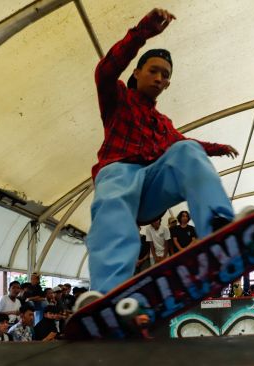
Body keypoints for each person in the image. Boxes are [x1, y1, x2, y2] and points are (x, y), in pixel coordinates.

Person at [82, 8, 239, 299]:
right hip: (119, 177)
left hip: (150, 188)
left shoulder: (163, 124)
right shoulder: (118, 97)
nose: (158, 78)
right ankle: (109, 293)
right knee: (114, 199)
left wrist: (216, 149)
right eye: (152, 70)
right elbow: (104, 71)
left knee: (187, 150)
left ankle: (218, 229)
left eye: (164, 75)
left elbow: (189, 146)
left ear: (167, 84)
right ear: (136, 72)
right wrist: (142, 33)